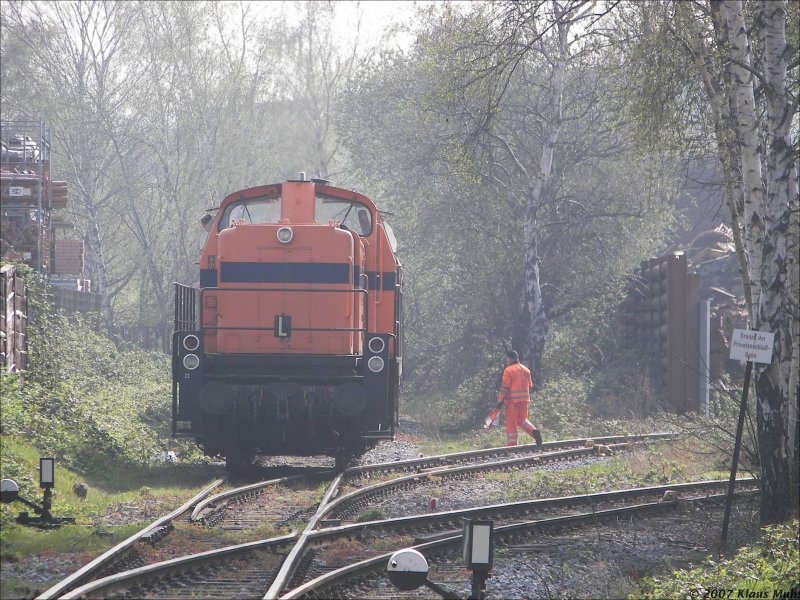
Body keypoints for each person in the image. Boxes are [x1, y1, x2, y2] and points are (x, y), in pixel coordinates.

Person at [498, 350, 542, 447]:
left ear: (510, 358)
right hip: (525, 400)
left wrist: (500, 399)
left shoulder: (508, 370)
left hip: (512, 402)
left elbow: (505, 386)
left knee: (511, 423)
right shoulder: (526, 370)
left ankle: (512, 445)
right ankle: (534, 431)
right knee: (522, 420)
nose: (506, 361)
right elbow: (530, 385)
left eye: (507, 359)